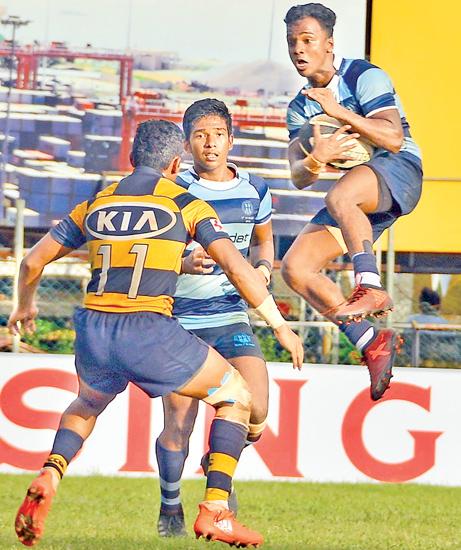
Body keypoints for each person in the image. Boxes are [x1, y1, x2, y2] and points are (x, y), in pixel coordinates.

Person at [9, 119, 304, 548]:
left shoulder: (97, 201)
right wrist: (279, 324)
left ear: (132, 158)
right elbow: (239, 269)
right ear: (174, 162)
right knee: (237, 396)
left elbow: (33, 263)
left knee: (88, 402)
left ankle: (51, 472)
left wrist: (24, 305)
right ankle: (216, 511)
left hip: (95, 327)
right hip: (148, 327)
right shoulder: (186, 202)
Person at [280, 3, 423, 400]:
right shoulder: (298, 108)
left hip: (400, 169)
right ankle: (371, 343)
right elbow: (297, 174)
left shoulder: (363, 75)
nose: (298, 49)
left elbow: (393, 138)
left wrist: (337, 110)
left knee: (341, 194)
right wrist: (316, 157)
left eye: (307, 40)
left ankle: (370, 285)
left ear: (329, 44)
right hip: (359, 196)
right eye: (292, 42)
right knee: (297, 268)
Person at [154, 99, 274, 537]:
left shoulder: (256, 188)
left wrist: (263, 268)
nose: (210, 143)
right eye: (200, 135)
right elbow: (153, 249)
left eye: (217, 134)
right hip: (180, 320)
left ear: (230, 138)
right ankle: (171, 508)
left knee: (256, 410)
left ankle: (215, 463)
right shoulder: (173, 189)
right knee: (178, 427)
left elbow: (264, 243)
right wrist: (182, 261)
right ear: (186, 144)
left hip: (230, 316)